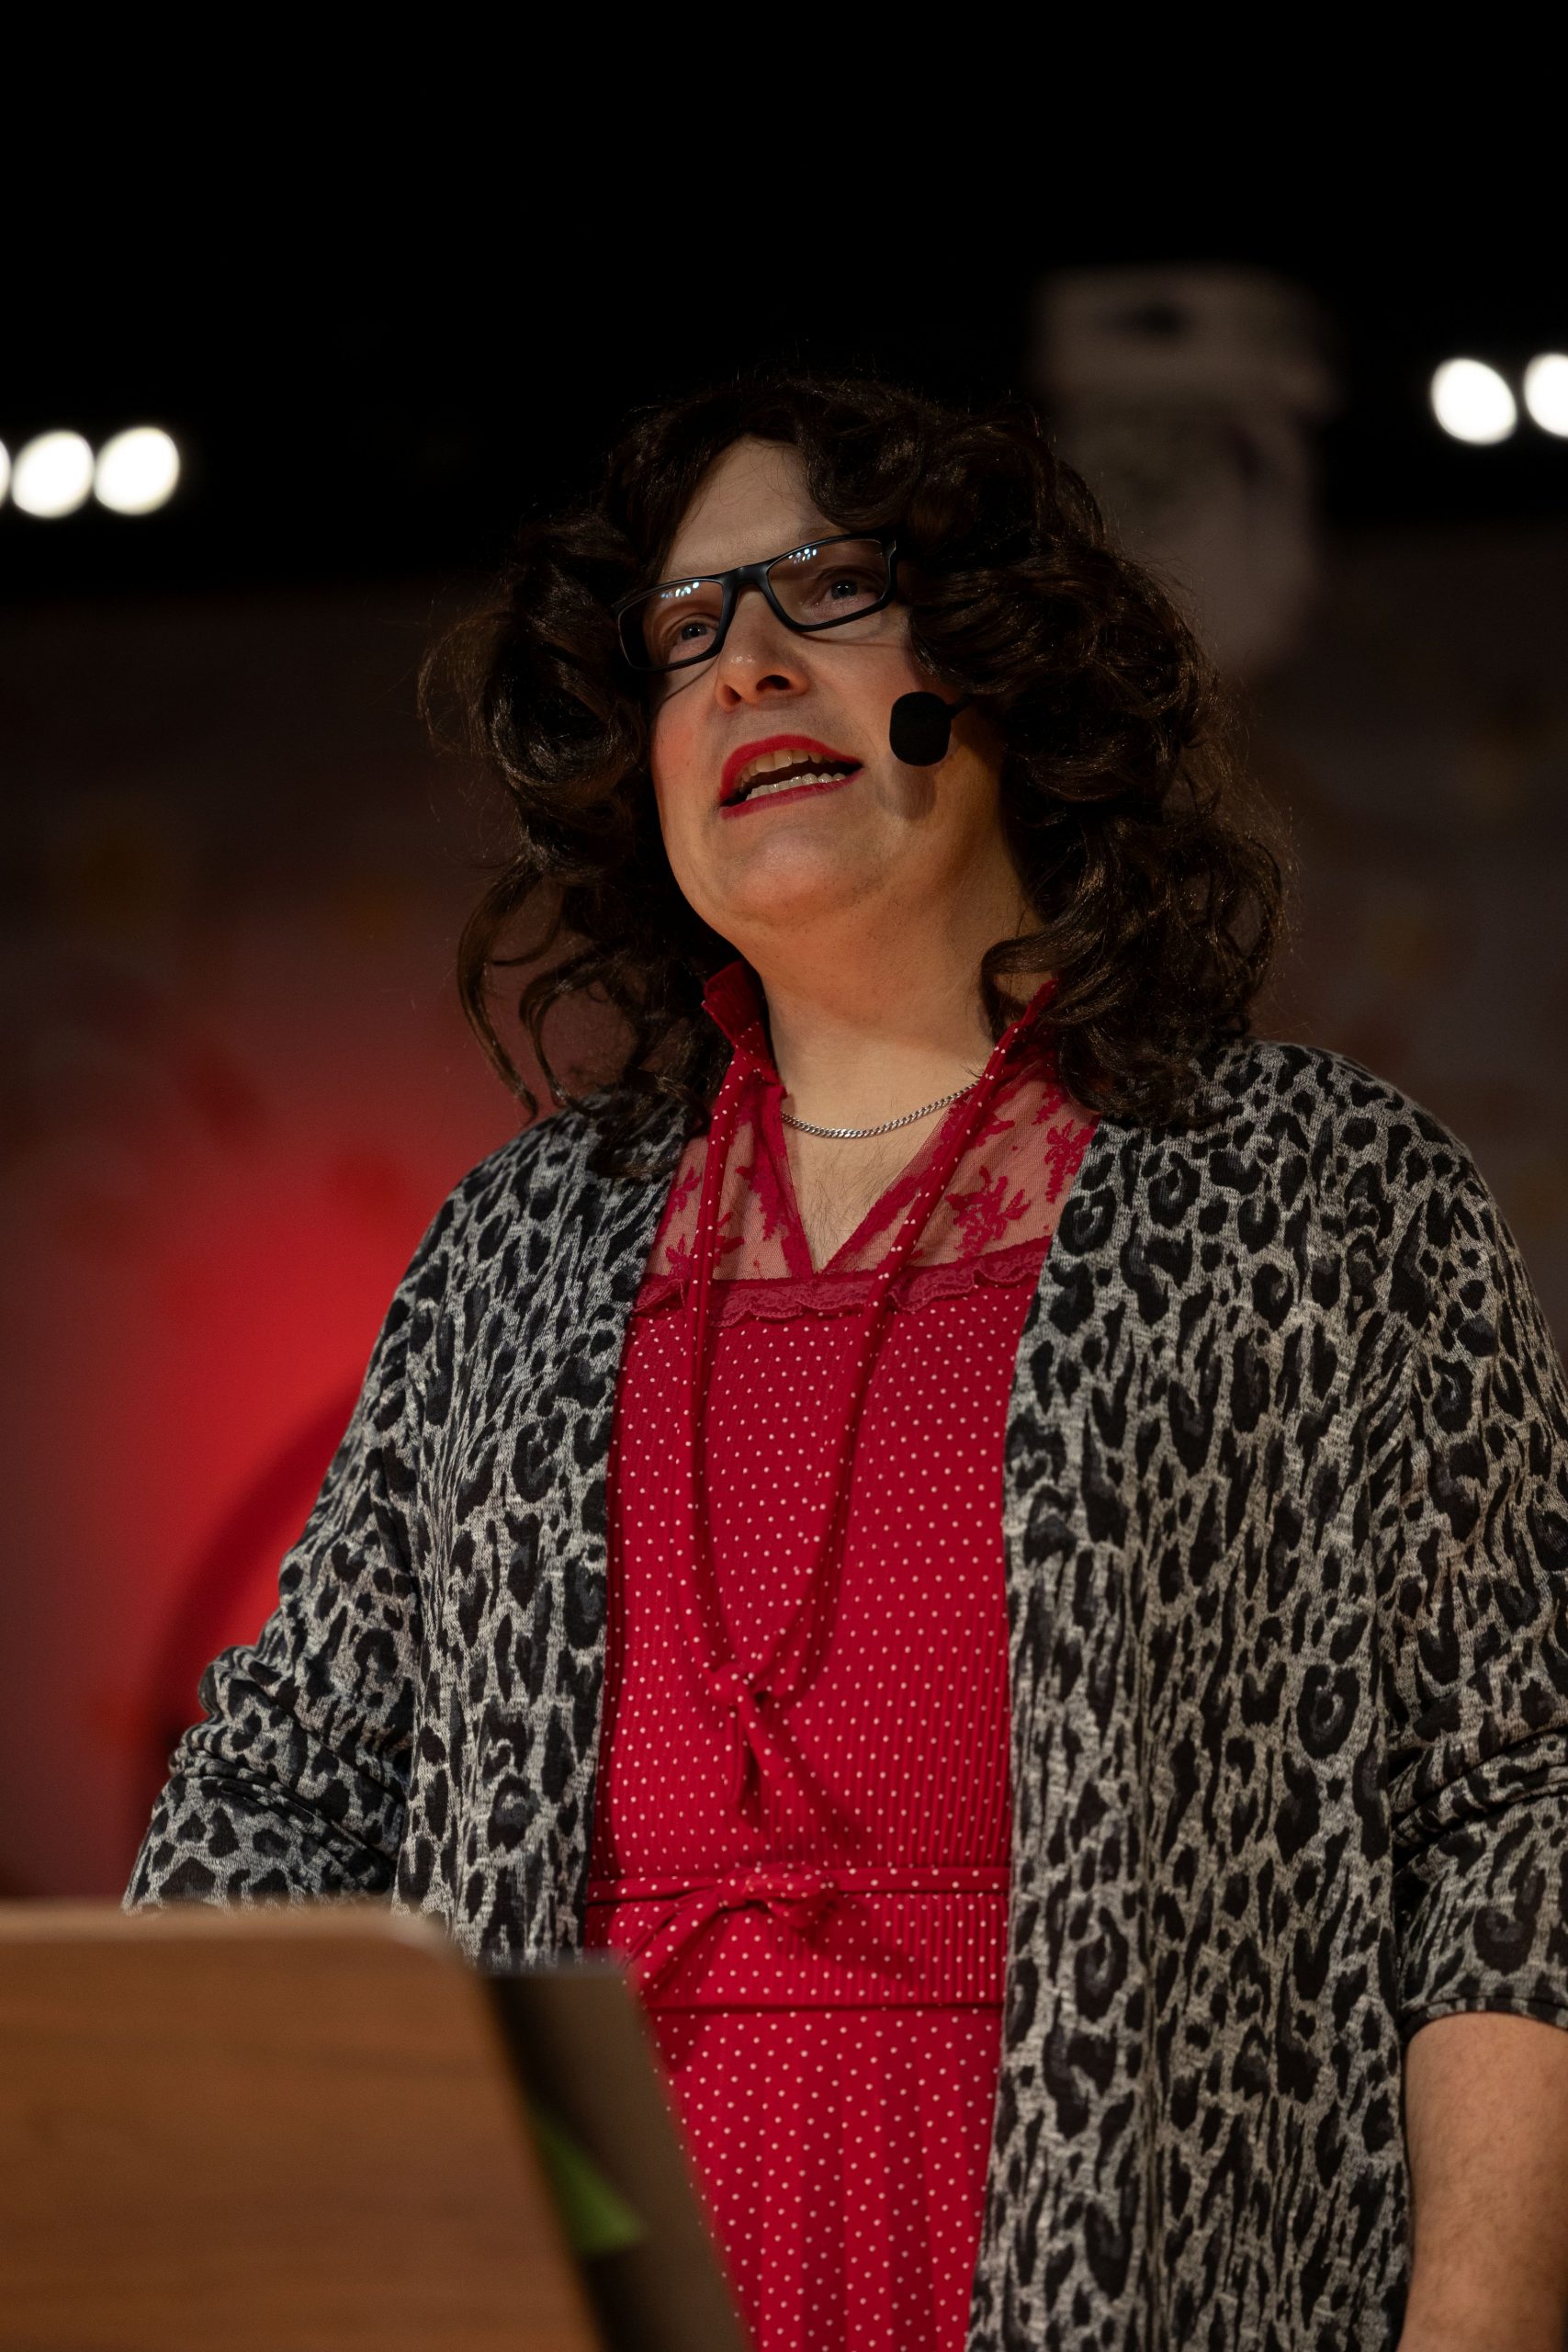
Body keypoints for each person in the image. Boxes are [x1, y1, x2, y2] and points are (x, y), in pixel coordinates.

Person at [127, 373, 1568, 2352]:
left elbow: (1514, 1811)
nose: (746, 664)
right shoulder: (516, 1250)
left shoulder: (1319, 1197)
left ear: (1005, 666)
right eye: (683, 631)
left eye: (831, 587)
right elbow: (281, 1792)